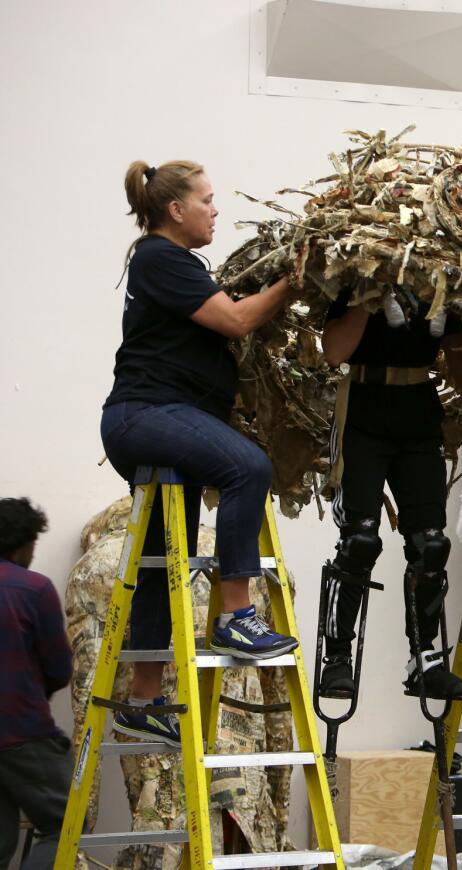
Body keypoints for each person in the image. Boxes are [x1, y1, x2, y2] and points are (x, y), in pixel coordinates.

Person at [101, 160, 300, 746]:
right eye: (207, 201)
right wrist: (294, 281)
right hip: (146, 415)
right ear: (175, 210)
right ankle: (235, 617)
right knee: (247, 465)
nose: (216, 210)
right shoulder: (160, 258)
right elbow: (237, 321)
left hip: (163, 420)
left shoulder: (182, 267)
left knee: (169, 555)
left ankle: (143, 698)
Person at [316, 283, 462, 701]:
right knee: (360, 540)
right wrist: (369, 297)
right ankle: (336, 658)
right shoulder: (361, 273)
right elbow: (333, 352)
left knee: (431, 546)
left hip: (419, 414)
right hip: (364, 410)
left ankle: (426, 663)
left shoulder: (440, 276)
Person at [0, 498, 72, 870]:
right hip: (21, 731)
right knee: (64, 824)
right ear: (23, 543)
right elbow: (59, 667)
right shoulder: (33, 588)